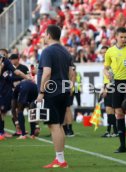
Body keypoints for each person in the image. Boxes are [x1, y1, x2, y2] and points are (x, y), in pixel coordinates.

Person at [36, 25, 73, 168]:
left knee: (54, 125)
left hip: (52, 92)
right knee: (59, 125)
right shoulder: (65, 51)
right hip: (63, 91)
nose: (44, 37)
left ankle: (60, 159)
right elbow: (71, 72)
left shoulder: (47, 51)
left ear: (49, 35)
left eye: (45, 35)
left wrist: (41, 92)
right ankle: (60, 158)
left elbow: (46, 73)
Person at [104, 27, 126, 153]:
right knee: (118, 113)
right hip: (115, 84)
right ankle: (122, 145)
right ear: (116, 37)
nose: (124, 39)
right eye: (121, 37)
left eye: (125, 37)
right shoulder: (110, 51)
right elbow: (106, 67)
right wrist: (106, 74)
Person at [0, 49, 31, 140]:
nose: (2, 56)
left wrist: (26, 77)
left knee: (6, 111)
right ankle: (3, 132)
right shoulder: (3, 64)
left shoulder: (7, 63)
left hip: (5, 92)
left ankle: (5, 132)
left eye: (4, 54)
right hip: (4, 92)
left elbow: (15, 73)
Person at [101, 46, 118, 138]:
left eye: (105, 52)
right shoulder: (106, 64)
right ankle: (110, 131)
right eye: (102, 52)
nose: (103, 54)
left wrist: (106, 89)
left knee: (112, 109)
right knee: (109, 110)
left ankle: (114, 131)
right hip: (107, 86)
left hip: (112, 87)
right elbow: (106, 78)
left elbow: (113, 78)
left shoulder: (111, 63)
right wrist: (102, 87)